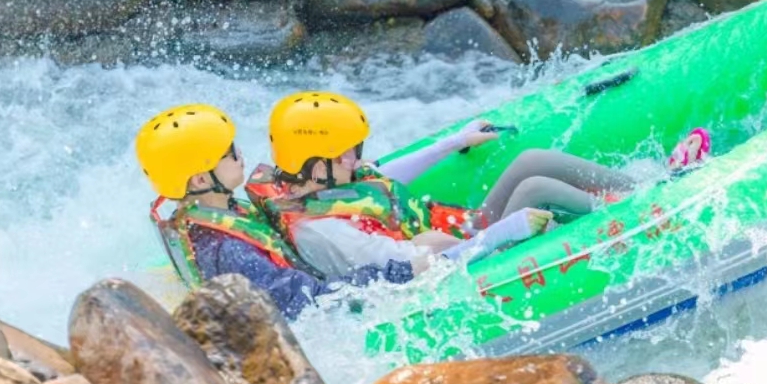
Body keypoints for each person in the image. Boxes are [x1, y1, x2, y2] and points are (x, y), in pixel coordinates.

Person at [244, 91, 647, 280]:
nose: (356, 159)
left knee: (530, 161)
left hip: (460, 234)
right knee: (533, 188)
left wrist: (452, 142)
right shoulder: (323, 230)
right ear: (316, 164)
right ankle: (640, 216)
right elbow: (413, 268)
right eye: (345, 153)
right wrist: (504, 231)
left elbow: (380, 177)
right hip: (463, 264)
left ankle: (645, 186)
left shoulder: (307, 180)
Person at [134, 104, 413, 320]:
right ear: (201, 180)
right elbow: (309, 300)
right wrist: (402, 272)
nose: (240, 154)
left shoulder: (198, 218)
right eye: (229, 152)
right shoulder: (230, 250)